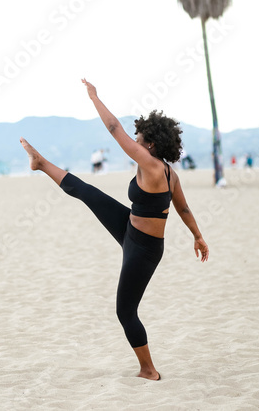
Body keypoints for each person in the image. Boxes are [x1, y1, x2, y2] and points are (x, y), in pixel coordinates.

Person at [20, 79, 209, 381]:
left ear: (150, 144)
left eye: (139, 135)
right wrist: (197, 236)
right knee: (88, 192)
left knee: (125, 311)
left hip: (144, 249)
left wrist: (94, 96)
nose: (134, 138)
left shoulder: (151, 165)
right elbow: (183, 209)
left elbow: (113, 128)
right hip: (128, 227)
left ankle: (149, 370)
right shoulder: (165, 171)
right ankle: (41, 163)